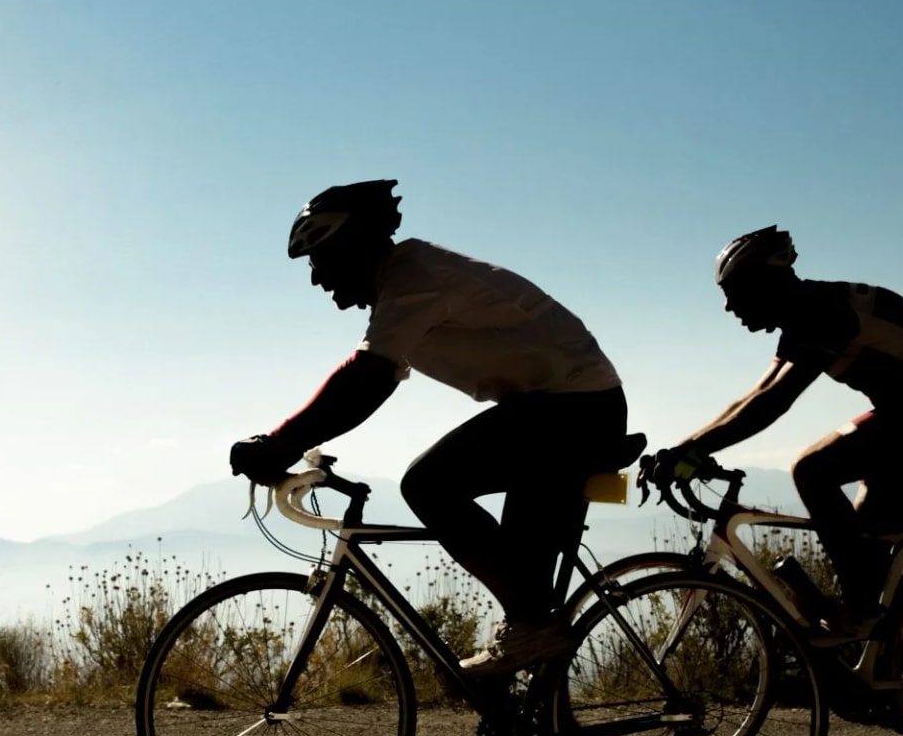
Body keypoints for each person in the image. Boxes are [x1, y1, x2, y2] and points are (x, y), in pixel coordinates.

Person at [229, 179, 630, 679]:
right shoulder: (406, 285)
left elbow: (367, 378)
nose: (316, 279)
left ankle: (533, 629)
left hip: (571, 410)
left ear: (353, 247)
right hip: (564, 410)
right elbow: (368, 376)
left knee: (430, 485)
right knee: (526, 589)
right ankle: (551, 732)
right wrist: (288, 442)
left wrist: (279, 442)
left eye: (320, 260)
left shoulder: (415, 277)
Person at [649, 225, 903, 637]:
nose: (727, 307)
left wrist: (694, 451)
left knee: (812, 471)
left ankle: (862, 615)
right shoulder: (804, 315)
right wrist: (685, 447)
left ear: (766, 283)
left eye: (734, 291)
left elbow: (773, 403)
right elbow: (755, 395)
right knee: (867, 545)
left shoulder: (824, 313)